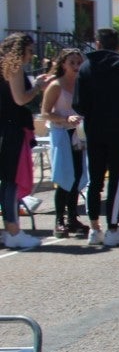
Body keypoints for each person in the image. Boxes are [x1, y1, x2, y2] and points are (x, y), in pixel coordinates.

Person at [73, 28, 119, 247]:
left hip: (94, 130)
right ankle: (113, 228)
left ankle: (94, 228)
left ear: (97, 43)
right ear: (117, 44)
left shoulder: (85, 67)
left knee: (95, 181)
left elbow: (79, 105)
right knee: (117, 181)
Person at [1, 33, 52, 250]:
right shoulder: (14, 67)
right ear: (20, 49)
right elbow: (20, 98)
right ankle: (13, 231)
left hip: (5, 127)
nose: (31, 55)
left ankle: (10, 230)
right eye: (30, 50)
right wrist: (38, 87)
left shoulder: (4, 65)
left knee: (6, 182)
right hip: (12, 129)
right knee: (11, 180)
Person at [40, 49, 90, 238]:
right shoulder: (56, 85)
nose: (76, 66)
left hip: (78, 134)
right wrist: (65, 118)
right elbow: (45, 112)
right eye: (72, 63)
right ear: (63, 64)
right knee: (64, 177)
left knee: (77, 176)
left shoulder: (81, 83)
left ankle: (73, 218)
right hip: (61, 133)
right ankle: (59, 220)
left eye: (79, 62)